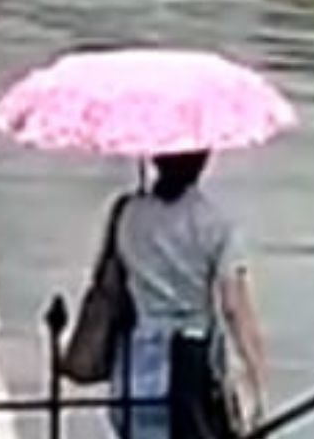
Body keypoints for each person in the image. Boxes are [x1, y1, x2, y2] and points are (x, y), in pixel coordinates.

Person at [105, 150, 267, 439]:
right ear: (203, 161)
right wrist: (256, 377)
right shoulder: (216, 223)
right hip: (190, 364)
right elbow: (234, 306)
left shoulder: (128, 214)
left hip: (136, 359)